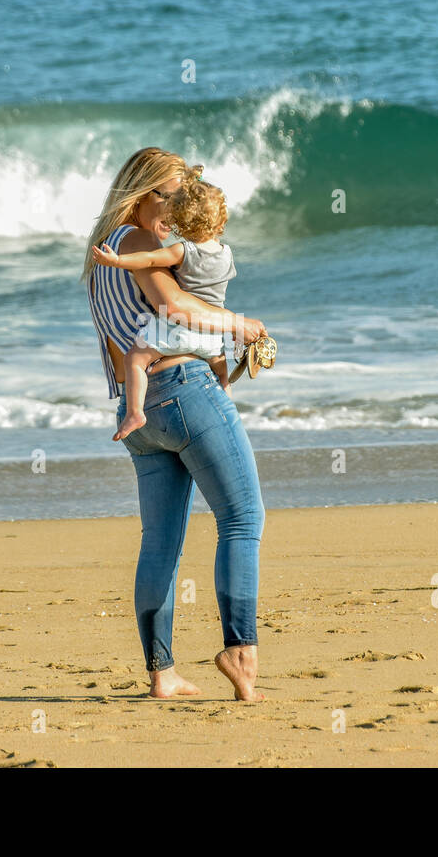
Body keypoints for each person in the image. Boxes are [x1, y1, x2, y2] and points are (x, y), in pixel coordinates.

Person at [81, 147, 267, 701]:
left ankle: (161, 673)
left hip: (138, 409)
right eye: (169, 196)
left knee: (160, 541)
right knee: (242, 518)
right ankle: (239, 651)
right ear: (139, 194)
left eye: (185, 197)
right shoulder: (140, 244)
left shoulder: (100, 262)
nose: (178, 209)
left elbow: (120, 347)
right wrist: (241, 325)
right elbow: (178, 310)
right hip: (184, 391)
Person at [91, 174, 237, 441]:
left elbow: (149, 263)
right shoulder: (227, 254)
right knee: (222, 374)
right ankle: (228, 407)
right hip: (213, 339)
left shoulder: (183, 251)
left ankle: (134, 412)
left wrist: (116, 261)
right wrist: (237, 323)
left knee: (135, 358)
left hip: (178, 333)